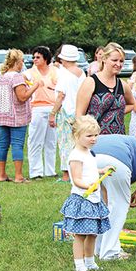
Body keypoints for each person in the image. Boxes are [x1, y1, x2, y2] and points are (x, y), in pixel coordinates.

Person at [60, 115, 111, 271]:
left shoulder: (88, 152)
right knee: (80, 235)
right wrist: (88, 185)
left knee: (92, 233)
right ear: (77, 136)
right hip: (82, 200)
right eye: (89, 136)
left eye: (96, 135)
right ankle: (79, 265)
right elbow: (76, 179)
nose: (94, 139)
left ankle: (90, 261)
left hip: (93, 199)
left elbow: (89, 170)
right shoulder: (76, 155)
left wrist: (101, 171)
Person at [93, 134, 136, 260]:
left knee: (100, 206)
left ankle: (96, 248)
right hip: (116, 163)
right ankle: (111, 252)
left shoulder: (123, 141)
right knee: (118, 207)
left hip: (91, 158)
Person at [0, 49, 39, 183]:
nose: (23, 64)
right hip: (16, 116)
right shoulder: (16, 77)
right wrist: (35, 86)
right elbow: (22, 97)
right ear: (17, 62)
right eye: (22, 61)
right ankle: (19, 176)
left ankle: (2, 175)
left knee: (3, 144)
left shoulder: (1, 75)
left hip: (3, 113)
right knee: (17, 145)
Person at [75, 42, 134, 135]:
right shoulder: (91, 82)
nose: (118, 64)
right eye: (114, 60)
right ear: (104, 59)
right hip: (96, 139)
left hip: (118, 139)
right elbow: (79, 115)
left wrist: (116, 114)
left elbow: (132, 104)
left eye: (121, 61)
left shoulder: (122, 85)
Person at [49, 44, 86, 182]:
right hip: (80, 111)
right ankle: (78, 172)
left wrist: (53, 113)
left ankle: (66, 175)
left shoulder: (64, 74)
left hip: (66, 112)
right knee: (78, 142)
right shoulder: (82, 73)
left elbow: (60, 96)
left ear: (64, 59)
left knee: (65, 143)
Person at [24, 46, 58, 180]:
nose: (35, 59)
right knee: (35, 141)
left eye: (38, 57)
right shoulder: (28, 73)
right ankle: (36, 171)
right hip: (37, 108)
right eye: (34, 57)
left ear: (46, 58)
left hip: (53, 108)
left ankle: (50, 170)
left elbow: (60, 88)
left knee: (51, 141)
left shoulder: (55, 72)